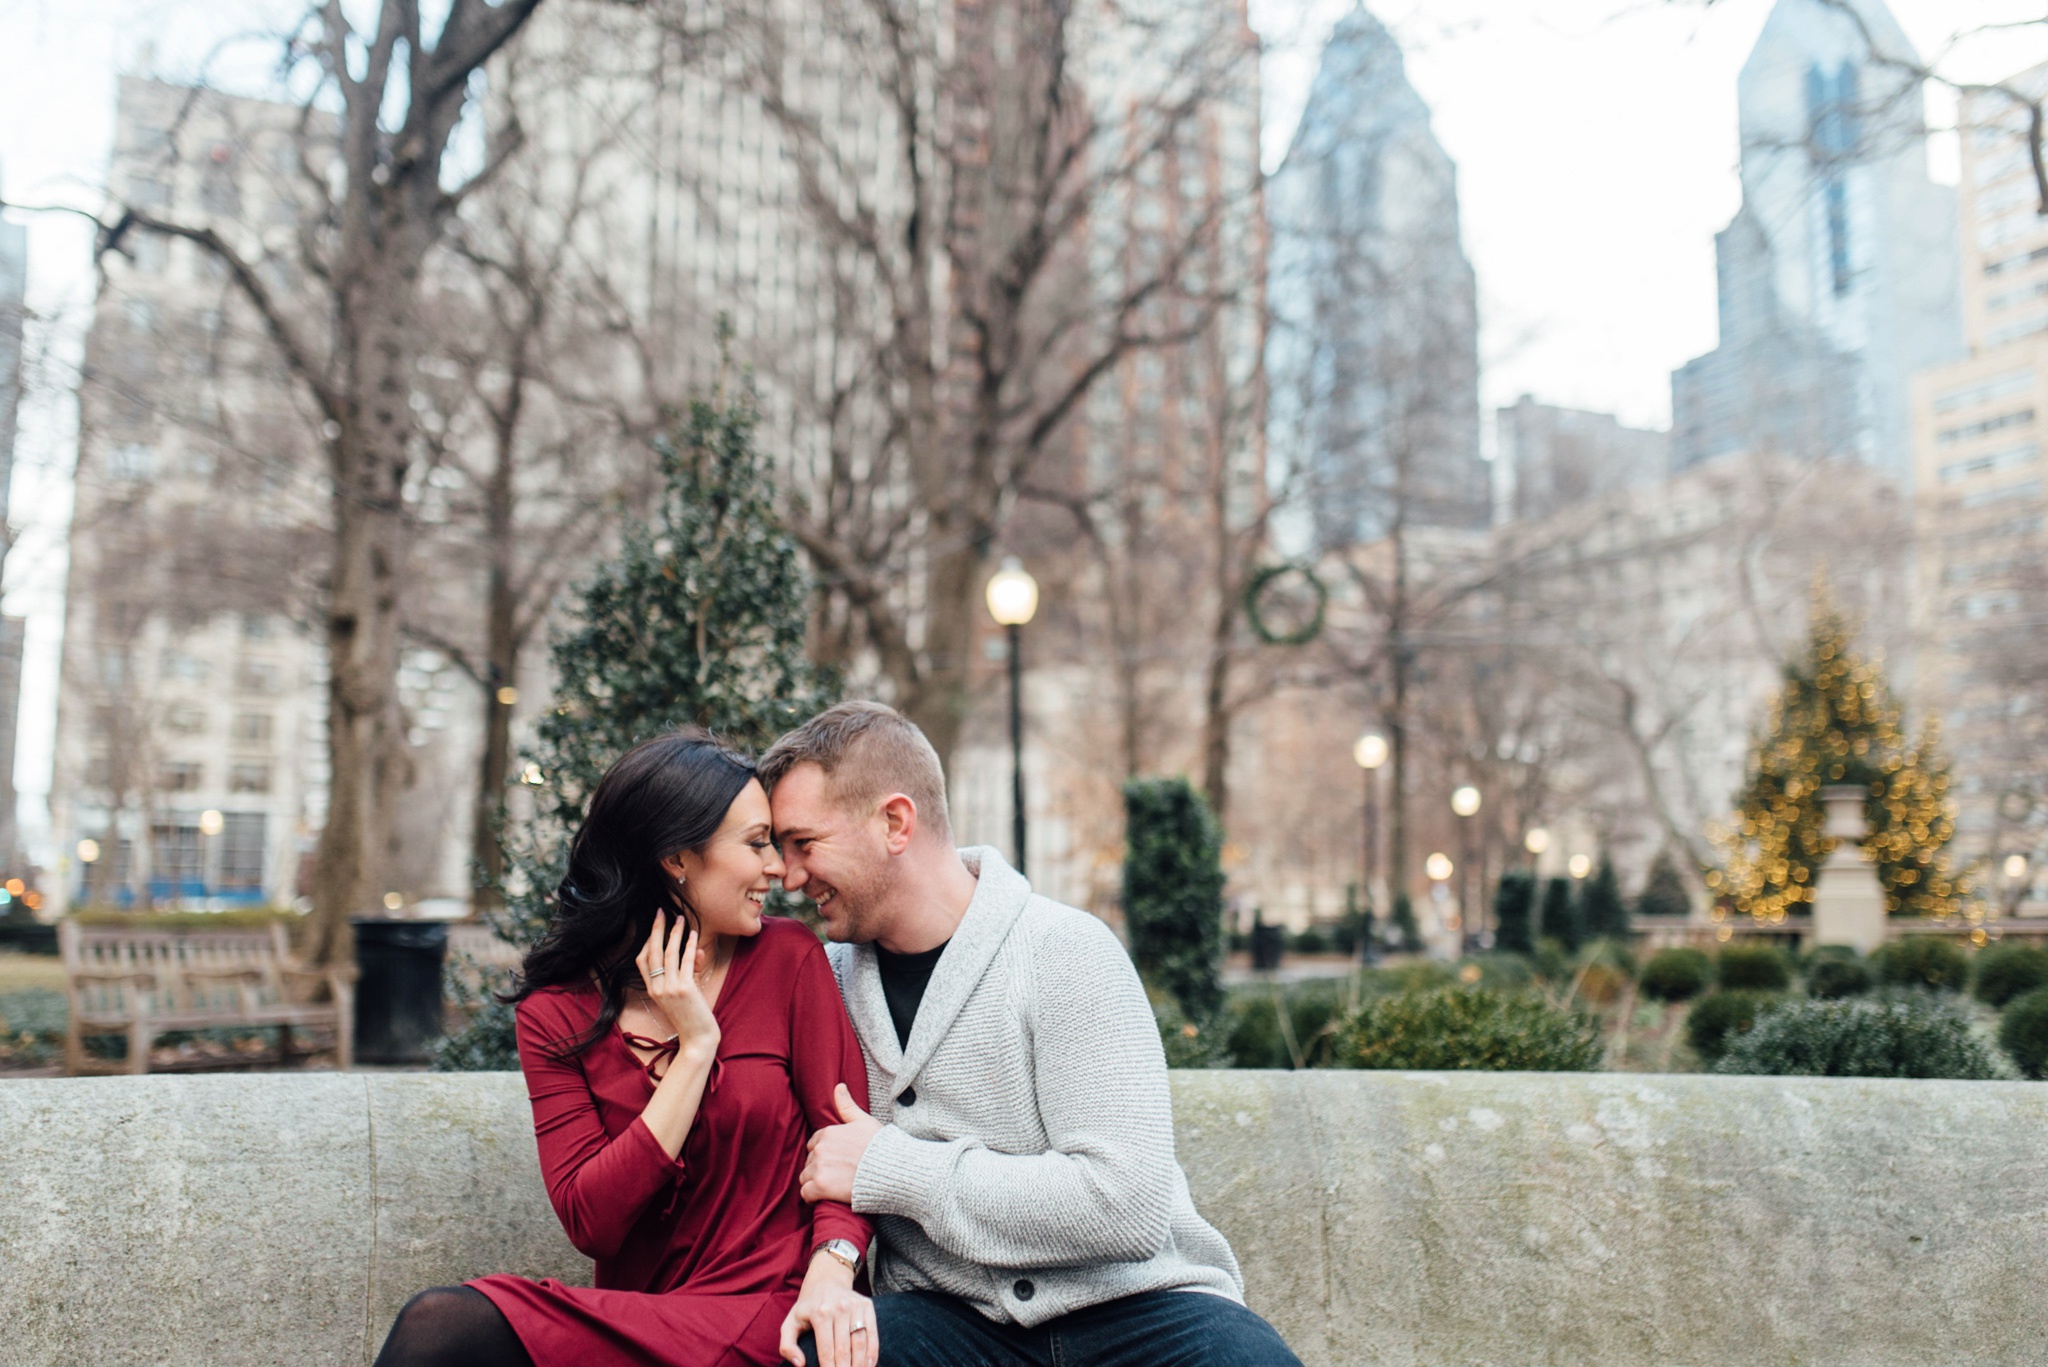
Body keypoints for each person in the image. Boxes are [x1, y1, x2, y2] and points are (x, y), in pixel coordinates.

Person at [757, 702, 1303, 1367]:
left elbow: (1123, 1206)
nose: (787, 875)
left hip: (1142, 1310)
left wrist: (891, 1168)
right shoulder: (825, 982)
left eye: (804, 843)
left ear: (895, 822)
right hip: (945, 1319)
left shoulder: (1066, 950)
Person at [373, 729, 879, 1367]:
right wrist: (695, 1049)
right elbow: (593, 1222)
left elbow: (846, 1146)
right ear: (677, 859)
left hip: (775, 1309)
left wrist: (832, 1271)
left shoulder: (788, 960)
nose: (778, 869)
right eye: (756, 845)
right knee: (441, 1326)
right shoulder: (555, 1012)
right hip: (642, 1319)